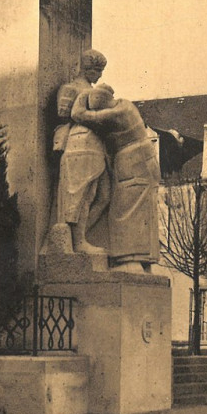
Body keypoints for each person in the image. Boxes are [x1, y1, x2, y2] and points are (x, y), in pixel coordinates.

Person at [71, 84, 160, 271]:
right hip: (141, 159)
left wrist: (81, 97)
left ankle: (130, 261)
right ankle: (144, 263)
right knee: (140, 208)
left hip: (133, 159)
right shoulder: (125, 106)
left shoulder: (121, 110)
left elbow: (79, 115)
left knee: (125, 208)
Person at [54, 49, 110, 254]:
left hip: (95, 144)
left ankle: (80, 238)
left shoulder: (95, 89)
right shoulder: (70, 88)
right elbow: (62, 114)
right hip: (79, 143)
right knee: (80, 195)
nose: (100, 74)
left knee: (102, 195)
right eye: (97, 70)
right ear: (87, 68)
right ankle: (77, 242)